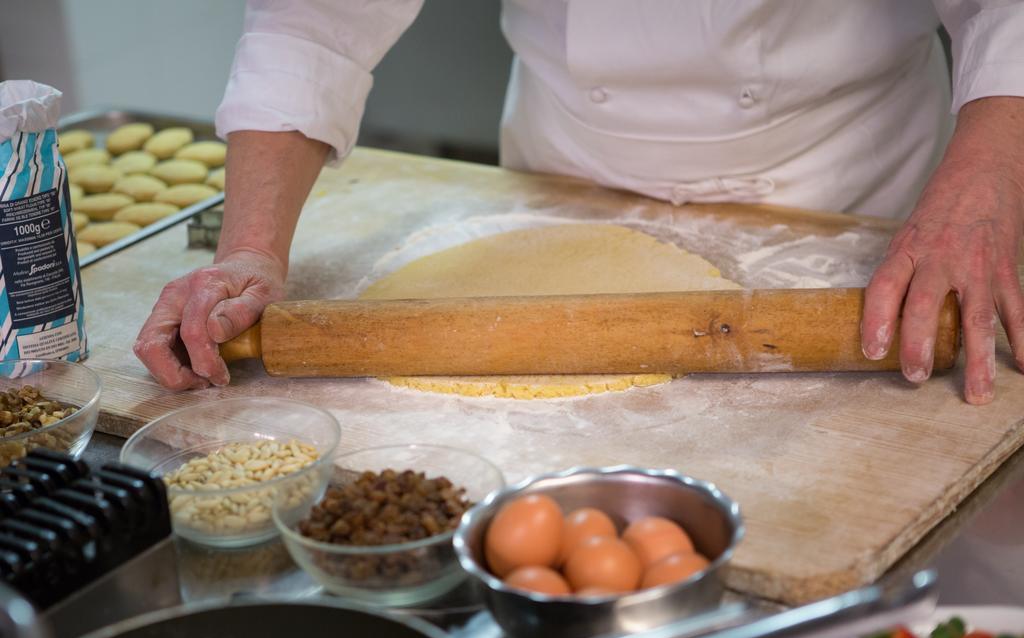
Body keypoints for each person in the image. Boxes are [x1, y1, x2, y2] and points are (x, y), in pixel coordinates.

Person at [134, 1, 1024, 405]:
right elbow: (317, 15)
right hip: (566, 168)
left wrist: (982, 190)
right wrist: (249, 249)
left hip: (841, 179)